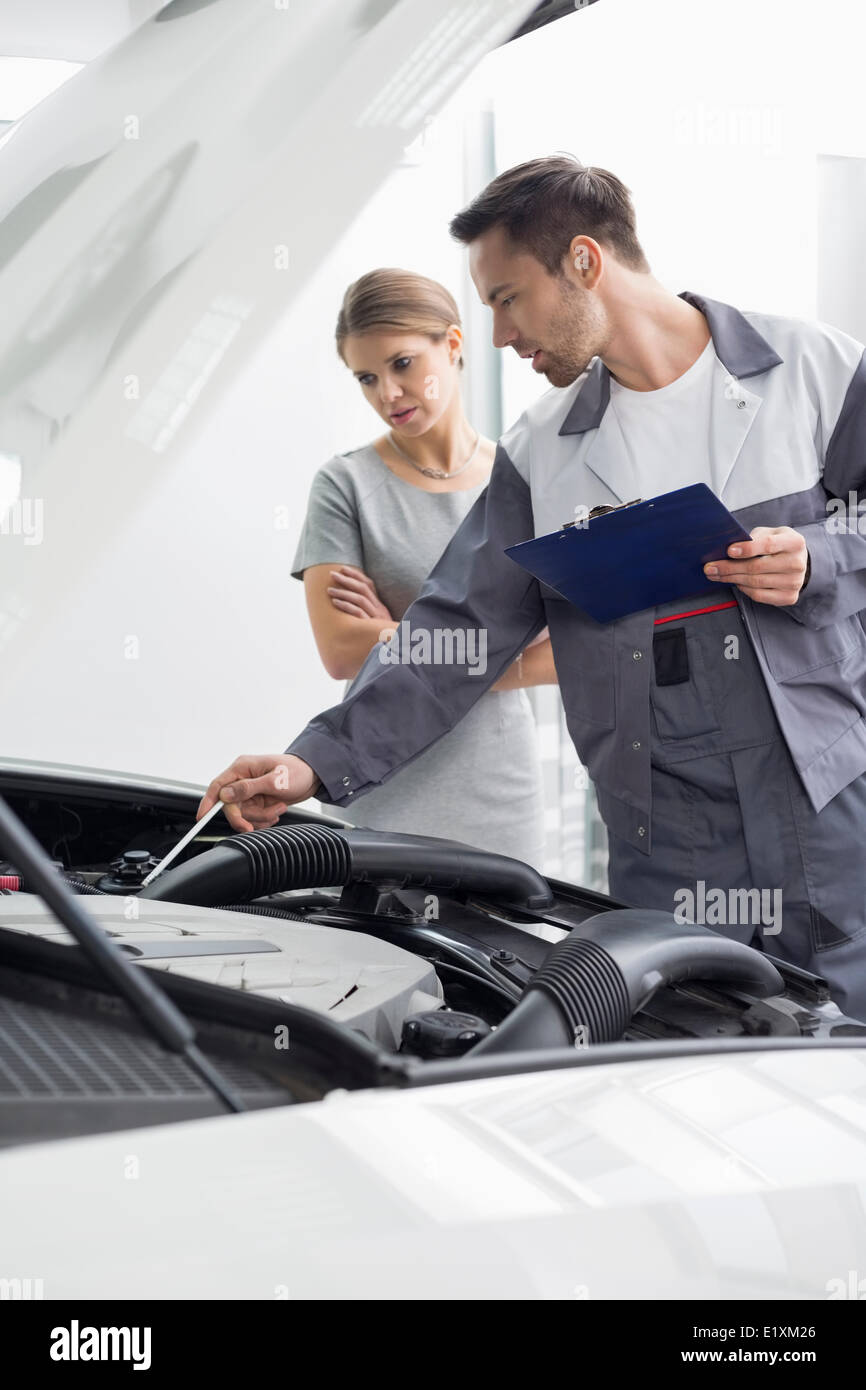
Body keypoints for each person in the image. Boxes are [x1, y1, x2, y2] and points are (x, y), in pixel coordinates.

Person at [199, 156, 866, 1021]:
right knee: (687, 1068)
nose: (502, 335)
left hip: (829, 807)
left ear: (585, 263)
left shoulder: (814, 370)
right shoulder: (544, 449)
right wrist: (310, 762)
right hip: (666, 834)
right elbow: (459, 630)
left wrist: (823, 556)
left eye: (508, 298)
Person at [290, 268, 554, 867]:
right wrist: (501, 647)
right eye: (366, 378)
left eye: (402, 364)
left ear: (454, 346)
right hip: (379, 785)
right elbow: (339, 650)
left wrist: (398, 634)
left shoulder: (526, 478)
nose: (387, 394)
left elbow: (569, 651)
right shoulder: (345, 485)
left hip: (499, 788)